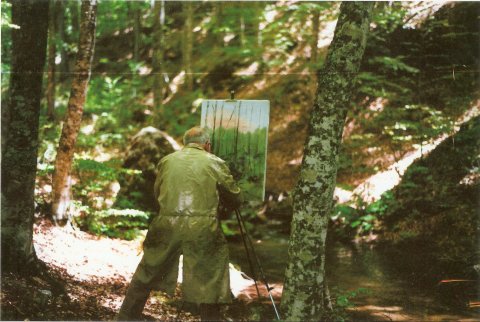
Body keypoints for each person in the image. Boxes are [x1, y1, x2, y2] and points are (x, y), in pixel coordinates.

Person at [117, 126, 242, 321]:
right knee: (210, 276)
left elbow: (156, 193)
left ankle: (125, 317)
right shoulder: (215, 163)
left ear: (186, 143)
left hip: (167, 222)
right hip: (202, 227)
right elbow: (234, 197)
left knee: (147, 272)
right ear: (207, 145)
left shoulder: (167, 161)